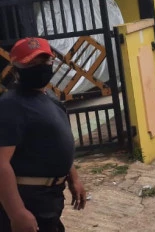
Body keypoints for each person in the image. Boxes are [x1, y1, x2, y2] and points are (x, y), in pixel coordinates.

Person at [0, 37, 87, 232]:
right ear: (16, 69)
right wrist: (17, 212)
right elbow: (1, 163)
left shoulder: (50, 99)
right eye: (30, 63)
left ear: (52, 61)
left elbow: (52, 144)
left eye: (43, 61)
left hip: (50, 198)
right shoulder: (11, 105)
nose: (39, 67)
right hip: (29, 197)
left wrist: (73, 178)